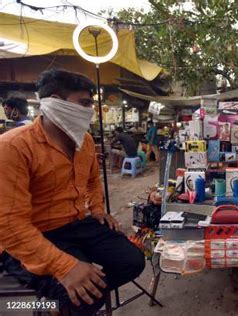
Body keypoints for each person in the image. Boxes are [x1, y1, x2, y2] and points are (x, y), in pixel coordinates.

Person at [0, 69, 145, 315]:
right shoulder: (13, 146)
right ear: (55, 101)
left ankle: (64, 304)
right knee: (87, 293)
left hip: (75, 224)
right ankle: (56, 305)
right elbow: (9, 224)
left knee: (132, 261)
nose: (90, 111)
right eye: (85, 103)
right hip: (33, 236)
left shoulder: (85, 141)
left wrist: (98, 210)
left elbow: (92, 181)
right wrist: (66, 267)